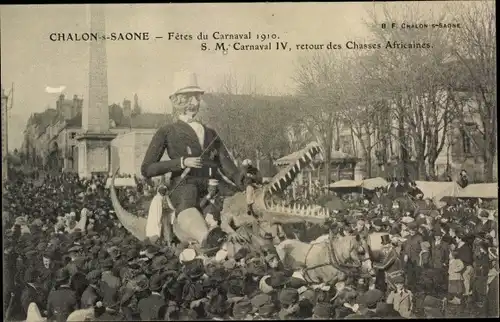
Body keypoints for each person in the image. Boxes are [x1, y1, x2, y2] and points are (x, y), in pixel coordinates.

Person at [141, 71, 246, 250]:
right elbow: (147, 169)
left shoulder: (211, 133)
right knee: (187, 202)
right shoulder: (167, 131)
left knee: (239, 200)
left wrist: (246, 180)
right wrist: (181, 162)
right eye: (189, 99)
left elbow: (229, 168)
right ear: (177, 101)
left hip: (215, 184)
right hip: (184, 185)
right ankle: (208, 239)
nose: (195, 103)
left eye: (197, 98)